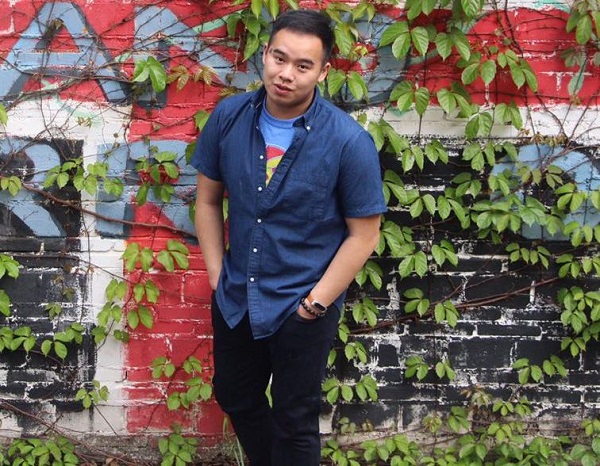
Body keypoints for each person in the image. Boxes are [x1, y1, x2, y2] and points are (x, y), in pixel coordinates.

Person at [191, 9, 387, 466]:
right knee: (235, 394)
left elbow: (364, 236)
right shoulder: (229, 117)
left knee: (295, 419)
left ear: (323, 71)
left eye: (303, 65)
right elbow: (207, 201)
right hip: (238, 296)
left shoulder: (348, 142)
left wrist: (314, 305)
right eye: (279, 58)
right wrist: (218, 275)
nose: (286, 74)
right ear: (265, 54)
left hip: (303, 303)